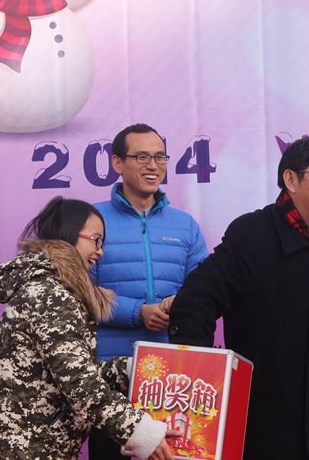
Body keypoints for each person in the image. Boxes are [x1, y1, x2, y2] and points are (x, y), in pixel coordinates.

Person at [168, 136, 309, 459]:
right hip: (261, 426)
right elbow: (194, 304)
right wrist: (202, 386)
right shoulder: (250, 235)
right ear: (291, 180)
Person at [0, 196, 179, 460]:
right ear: (70, 234)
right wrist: (142, 434)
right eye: (96, 240)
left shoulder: (54, 289)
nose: (100, 252)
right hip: (27, 452)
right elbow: (81, 386)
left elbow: (73, 370)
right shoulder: (49, 295)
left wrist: (133, 369)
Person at [89, 124, 208, 458]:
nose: (153, 166)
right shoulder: (93, 221)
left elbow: (204, 289)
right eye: (141, 157)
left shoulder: (185, 225)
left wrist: (179, 305)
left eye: (160, 157)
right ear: (117, 162)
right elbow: (80, 294)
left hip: (171, 378)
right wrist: (136, 312)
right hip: (110, 377)